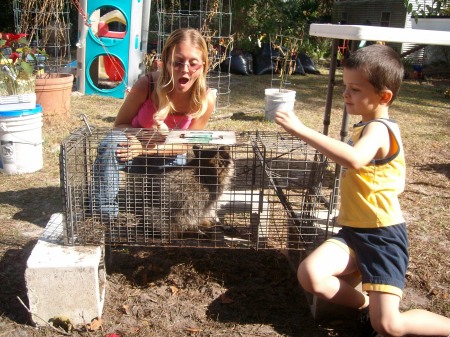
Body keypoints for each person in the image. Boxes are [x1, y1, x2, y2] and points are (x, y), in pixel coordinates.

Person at [274, 44, 450, 337]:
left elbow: (354, 159)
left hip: (382, 236)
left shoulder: (380, 129)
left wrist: (301, 130)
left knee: (389, 326)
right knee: (311, 275)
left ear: (384, 96)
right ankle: (367, 305)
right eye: (345, 86)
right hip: (354, 233)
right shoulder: (365, 126)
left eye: (355, 89)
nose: (346, 94)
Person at [92, 28, 216, 218]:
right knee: (110, 144)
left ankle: (167, 215)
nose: (185, 69)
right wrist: (140, 137)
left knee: (179, 180)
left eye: (193, 64)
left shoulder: (206, 98)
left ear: (203, 65)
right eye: (178, 62)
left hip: (169, 157)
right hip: (132, 150)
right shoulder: (147, 84)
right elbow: (119, 125)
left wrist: (147, 149)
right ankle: (103, 216)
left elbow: (187, 143)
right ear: (166, 62)